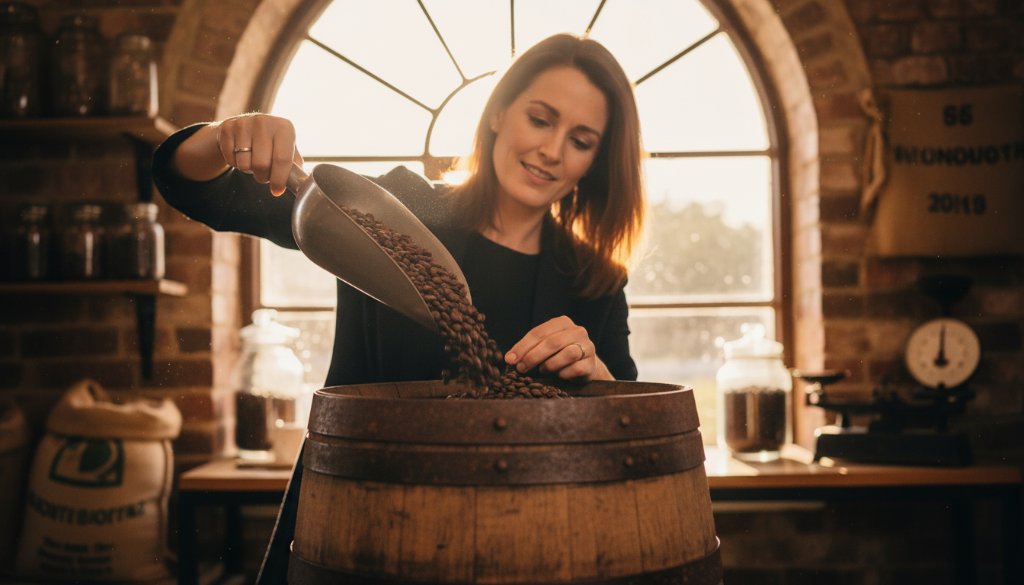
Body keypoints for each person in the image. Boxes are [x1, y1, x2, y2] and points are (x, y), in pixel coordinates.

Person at [153, 33, 645, 386]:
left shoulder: (595, 278)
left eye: (580, 141)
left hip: (536, 521)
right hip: (366, 497)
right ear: (498, 113)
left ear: (595, 162)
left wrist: (595, 371)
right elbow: (203, 194)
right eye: (540, 120)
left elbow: (631, 421)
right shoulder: (393, 211)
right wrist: (223, 140)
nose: (553, 151)